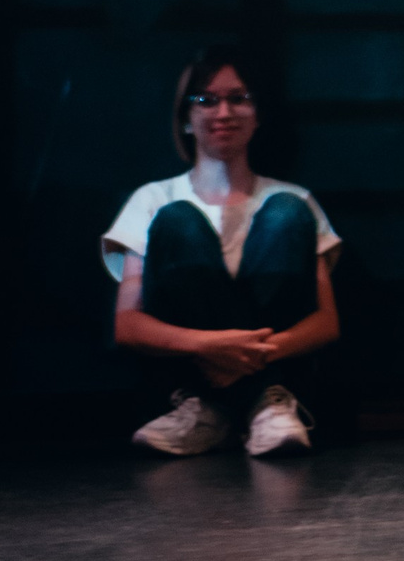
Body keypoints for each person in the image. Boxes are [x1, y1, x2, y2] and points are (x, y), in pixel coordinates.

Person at [102, 45, 342, 457]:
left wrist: (248, 353)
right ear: (186, 117)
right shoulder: (152, 199)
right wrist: (210, 346)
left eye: (238, 98)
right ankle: (219, 409)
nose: (224, 112)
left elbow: (325, 322)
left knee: (284, 211)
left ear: (257, 113)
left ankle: (263, 405)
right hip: (188, 379)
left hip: (277, 370)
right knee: (178, 218)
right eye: (207, 100)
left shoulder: (295, 201)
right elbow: (129, 325)